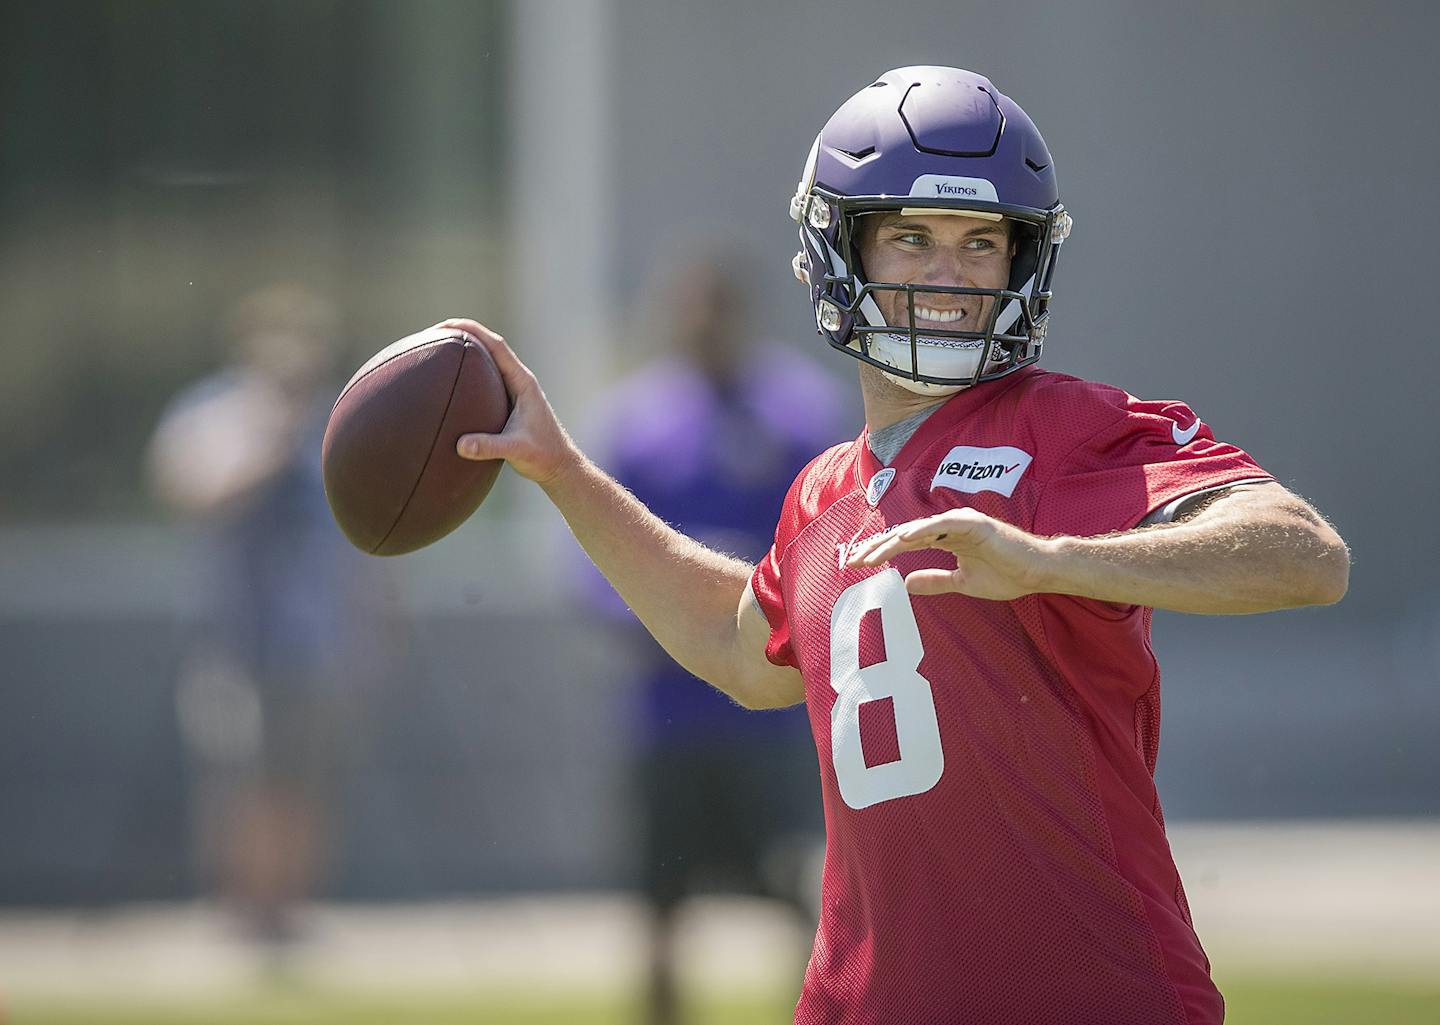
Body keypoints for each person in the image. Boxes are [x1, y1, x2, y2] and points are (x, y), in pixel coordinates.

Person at [441, 66, 1350, 1025]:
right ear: (839, 250)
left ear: (1021, 262)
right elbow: (734, 644)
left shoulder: (1073, 428)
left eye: (980, 242)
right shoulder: (826, 488)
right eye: (912, 239)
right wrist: (564, 473)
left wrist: (1051, 561)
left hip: (1090, 995)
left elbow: (1302, 552)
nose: (949, 276)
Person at [581, 247, 847, 1025]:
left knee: (806, 890)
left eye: (715, 309)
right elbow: (594, 556)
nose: (702, 325)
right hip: (668, 717)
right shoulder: (637, 422)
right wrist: (662, 618)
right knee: (660, 906)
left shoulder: (798, 414)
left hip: (769, 716)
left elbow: (832, 536)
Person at [147, 285, 383, 953]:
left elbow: (361, 534)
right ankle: (243, 912)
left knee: (306, 777)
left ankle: (292, 909)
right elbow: (197, 492)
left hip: (316, 638)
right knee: (242, 777)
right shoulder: (212, 412)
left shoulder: (337, 420)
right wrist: (272, 434)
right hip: (232, 637)